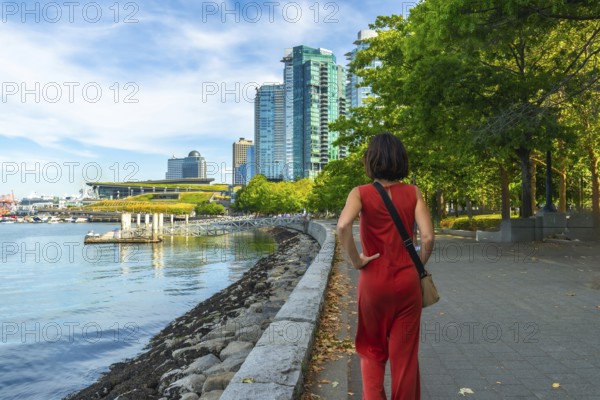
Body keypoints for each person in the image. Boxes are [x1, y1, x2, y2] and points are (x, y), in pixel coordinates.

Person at [337, 132, 434, 400]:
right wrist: (418, 266)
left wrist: (356, 261)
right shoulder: (413, 193)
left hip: (373, 283)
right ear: (400, 160)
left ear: (371, 160)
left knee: (371, 350)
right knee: (405, 358)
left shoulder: (360, 193)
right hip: (407, 284)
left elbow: (343, 225)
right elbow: (427, 237)